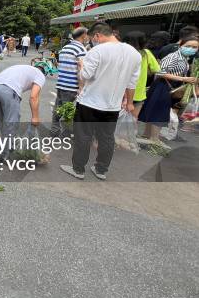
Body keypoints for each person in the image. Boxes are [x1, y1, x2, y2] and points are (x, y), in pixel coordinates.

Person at [60, 22, 141, 181]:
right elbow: (132, 83)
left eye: (92, 38)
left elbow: (85, 75)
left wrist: (82, 65)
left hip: (90, 103)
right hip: (112, 106)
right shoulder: (134, 54)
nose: (92, 41)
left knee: (83, 136)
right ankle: (101, 170)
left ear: (97, 35)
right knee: (107, 138)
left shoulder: (97, 50)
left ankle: (78, 169)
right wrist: (129, 102)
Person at [138, 36, 198, 145]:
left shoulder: (185, 58)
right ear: (180, 45)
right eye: (188, 46)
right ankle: (153, 139)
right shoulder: (173, 57)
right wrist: (183, 78)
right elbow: (159, 72)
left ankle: (148, 136)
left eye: (195, 47)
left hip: (168, 87)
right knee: (159, 113)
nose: (191, 49)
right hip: (162, 86)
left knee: (155, 111)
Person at [0, 64, 46, 160]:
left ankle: (8, 146)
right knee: (12, 123)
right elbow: (34, 97)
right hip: (8, 90)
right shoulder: (40, 75)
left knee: (4, 121)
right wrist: (35, 117)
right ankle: (4, 155)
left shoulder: (26, 69)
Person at [50, 27, 88, 137]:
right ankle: (65, 133)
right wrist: (81, 88)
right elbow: (81, 70)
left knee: (58, 108)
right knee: (68, 111)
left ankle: (55, 130)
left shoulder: (65, 48)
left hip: (61, 83)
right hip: (71, 86)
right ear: (84, 35)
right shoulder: (81, 50)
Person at [122, 31, 160, 119]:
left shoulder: (121, 53)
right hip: (138, 93)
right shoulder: (146, 53)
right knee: (132, 121)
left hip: (120, 93)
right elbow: (157, 70)